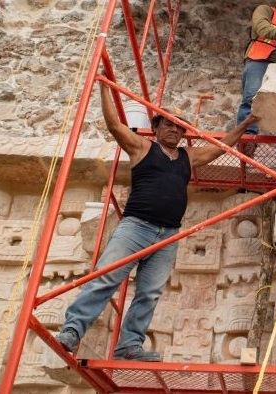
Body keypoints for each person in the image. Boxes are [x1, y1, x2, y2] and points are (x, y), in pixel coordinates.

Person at [54, 78, 259, 361]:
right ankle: (73, 330)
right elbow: (115, 126)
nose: (175, 129)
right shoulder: (142, 148)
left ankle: (129, 345)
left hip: (168, 236)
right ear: (157, 126)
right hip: (136, 226)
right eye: (169, 124)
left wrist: (245, 123)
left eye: (180, 127)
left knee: (149, 293)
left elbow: (220, 148)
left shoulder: (187, 156)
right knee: (106, 277)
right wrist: (105, 89)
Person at [237, 0, 276, 165]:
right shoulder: (265, 10)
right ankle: (247, 139)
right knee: (252, 98)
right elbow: (260, 27)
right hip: (259, 60)